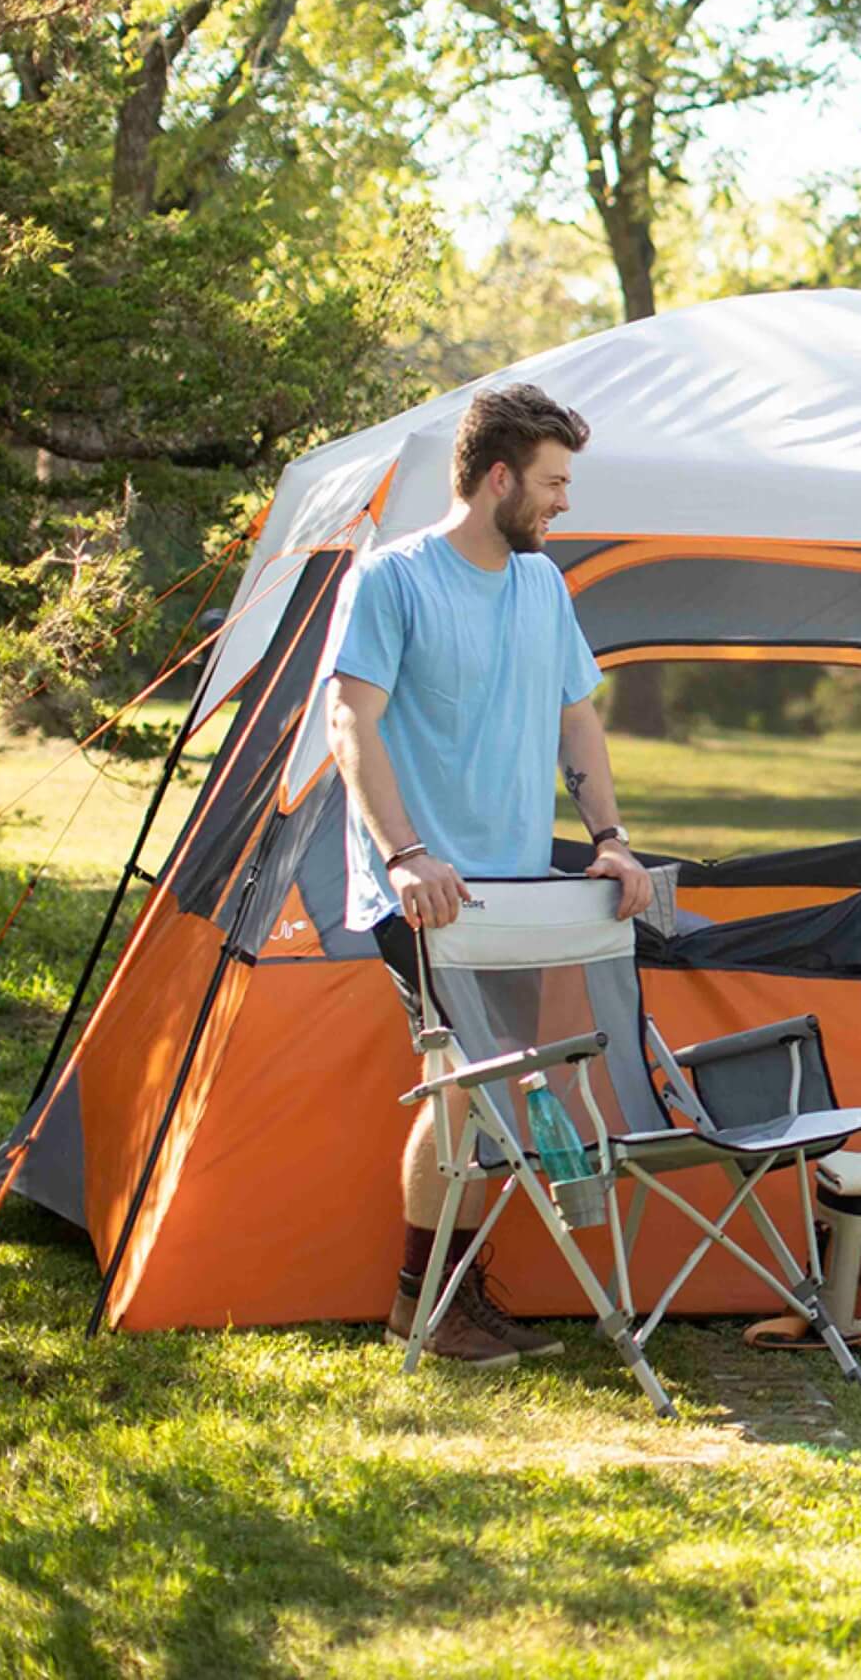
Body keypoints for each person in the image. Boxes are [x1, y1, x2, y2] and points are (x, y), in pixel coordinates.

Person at [327, 382, 655, 1367]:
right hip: (424, 893)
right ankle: (424, 1305)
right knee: (461, 1085)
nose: (563, 501)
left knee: (491, 1090)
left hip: (511, 894)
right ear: (500, 477)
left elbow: (574, 717)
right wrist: (404, 853)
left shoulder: (541, 587)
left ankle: (450, 1294)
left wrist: (610, 835)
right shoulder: (393, 580)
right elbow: (350, 721)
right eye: (553, 483)